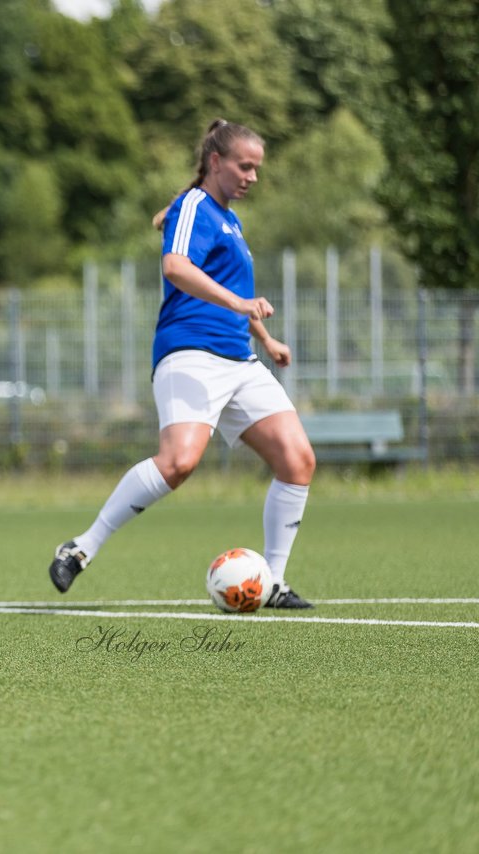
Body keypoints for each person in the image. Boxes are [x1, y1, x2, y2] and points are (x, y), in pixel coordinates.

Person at [48, 118, 316, 609]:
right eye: (244, 165)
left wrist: (265, 337)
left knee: (297, 461)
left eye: (257, 168)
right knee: (179, 462)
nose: (253, 176)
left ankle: (273, 582)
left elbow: (231, 291)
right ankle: (81, 548)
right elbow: (176, 266)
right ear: (216, 162)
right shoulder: (195, 205)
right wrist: (241, 307)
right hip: (190, 353)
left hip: (240, 359)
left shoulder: (231, 220)